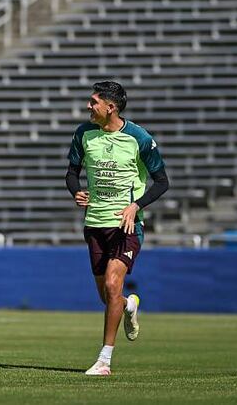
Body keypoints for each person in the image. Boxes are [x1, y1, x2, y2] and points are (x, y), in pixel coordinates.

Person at [66, 81, 169, 376]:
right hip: (95, 223)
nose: (89, 106)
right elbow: (71, 173)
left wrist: (136, 205)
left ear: (111, 107)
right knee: (108, 296)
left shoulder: (139, 138)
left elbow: (162, 182)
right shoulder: (83, 133)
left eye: (93, 102)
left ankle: (104, 361)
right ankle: (128, 305)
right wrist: (76, 191)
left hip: (126, 226)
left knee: (112, 286)